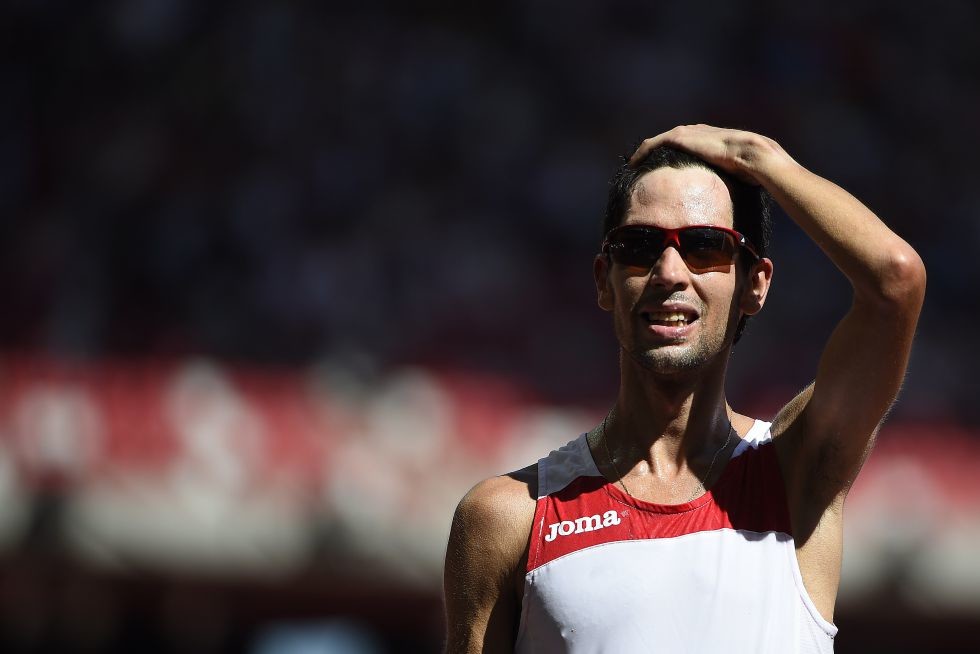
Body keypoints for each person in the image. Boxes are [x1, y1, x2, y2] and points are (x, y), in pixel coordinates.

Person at [442, 125, 926, 653]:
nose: (669, 272)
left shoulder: (794, 476)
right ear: (604, 280)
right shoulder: (510, 517)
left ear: (755, 283)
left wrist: (758, 156)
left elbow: (894, 281)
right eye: (640, 246)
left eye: (706, 246)